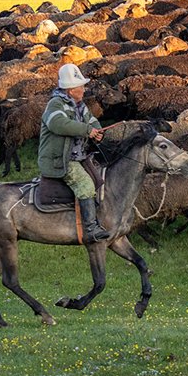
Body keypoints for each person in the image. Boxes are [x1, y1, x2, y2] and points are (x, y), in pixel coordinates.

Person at [39, 63, 109, 242]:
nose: (84, 90)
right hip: (61, 159)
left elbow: (92, 121)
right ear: (70, 90)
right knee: (85, 185)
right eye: (81, 86)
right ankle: (91, 229)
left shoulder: (80, 105)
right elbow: (58, 124)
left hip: (78, 155)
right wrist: (87, 130)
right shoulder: (55, 104)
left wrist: (97, 132)